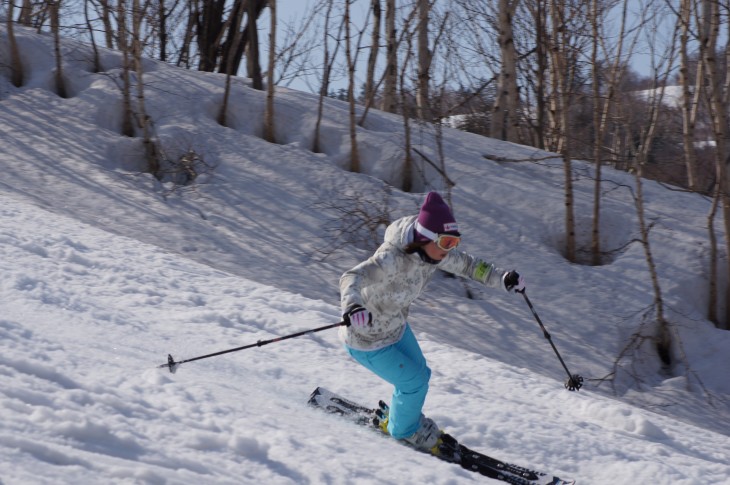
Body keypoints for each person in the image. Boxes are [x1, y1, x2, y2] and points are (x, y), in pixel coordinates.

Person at [339, 191, 525, 454]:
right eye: (446, 242)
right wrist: (353, 306)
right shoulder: (392, 258)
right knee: (413, 382)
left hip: (395, 326)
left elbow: (471, 266)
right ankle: (403, 431)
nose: (450, 249)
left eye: (454, 242)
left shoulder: (436, 253)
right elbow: (351, 277)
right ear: (425, 237)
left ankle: (404, 417)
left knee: (421, 374)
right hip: (366, 338)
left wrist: (502, 277)